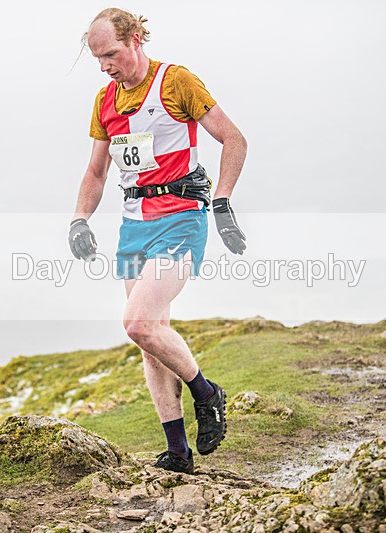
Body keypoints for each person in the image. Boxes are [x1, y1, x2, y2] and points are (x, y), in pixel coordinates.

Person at [69, 8, 247, 475]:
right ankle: (178, 452)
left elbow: (234, 140)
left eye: (110, 54)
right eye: (97, 58)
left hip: (181, 218)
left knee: (138, 322)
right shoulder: (105, 100)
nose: (105, 65)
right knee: (150, 340)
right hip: (134, 226)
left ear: (134, 40)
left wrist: (223, 202)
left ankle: (206, 393)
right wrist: (79, 220)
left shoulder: (176, 81)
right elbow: (96, 171)